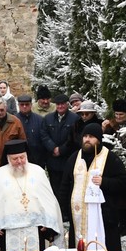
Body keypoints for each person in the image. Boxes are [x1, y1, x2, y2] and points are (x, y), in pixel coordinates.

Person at [0, 139, 65, 251]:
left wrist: (47, 221)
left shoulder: (38, 172)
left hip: (35, 228)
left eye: (22, 157)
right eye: (15, 159)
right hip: (7, 230)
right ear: (8, 158)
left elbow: (49, 200)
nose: (19, 161)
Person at [64, 123, 126, 251]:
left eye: (91, 137)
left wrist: (104, 182)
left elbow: (123, 183)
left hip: (104, 218)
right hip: (78, 216)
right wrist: (65, 209)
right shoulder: (74, 158)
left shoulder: (110, 158)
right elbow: (64, 185)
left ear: (99, 140)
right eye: (85, 136)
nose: (87, 139)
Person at [44, 93, 79, 223]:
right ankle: (57, 212)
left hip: (67, 159)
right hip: (52, 160)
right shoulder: (48, 119)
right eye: (58, 104)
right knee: (55, 187)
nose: (60, 106)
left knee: (68, 187)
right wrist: (53, 148)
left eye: (62, 104)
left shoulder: (75, 119)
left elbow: (74, 139)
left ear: (67, 104)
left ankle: (67, 212)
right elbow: (44, 135)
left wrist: (61, 150)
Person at [14, 93, 49, 167]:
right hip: (20, 158)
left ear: (31, 105)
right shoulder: (14, 120)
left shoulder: (39, 119)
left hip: (38, 158)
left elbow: (44, 138)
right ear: (18, 105)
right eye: (22, 105)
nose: (24, 106)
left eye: (27, 104)